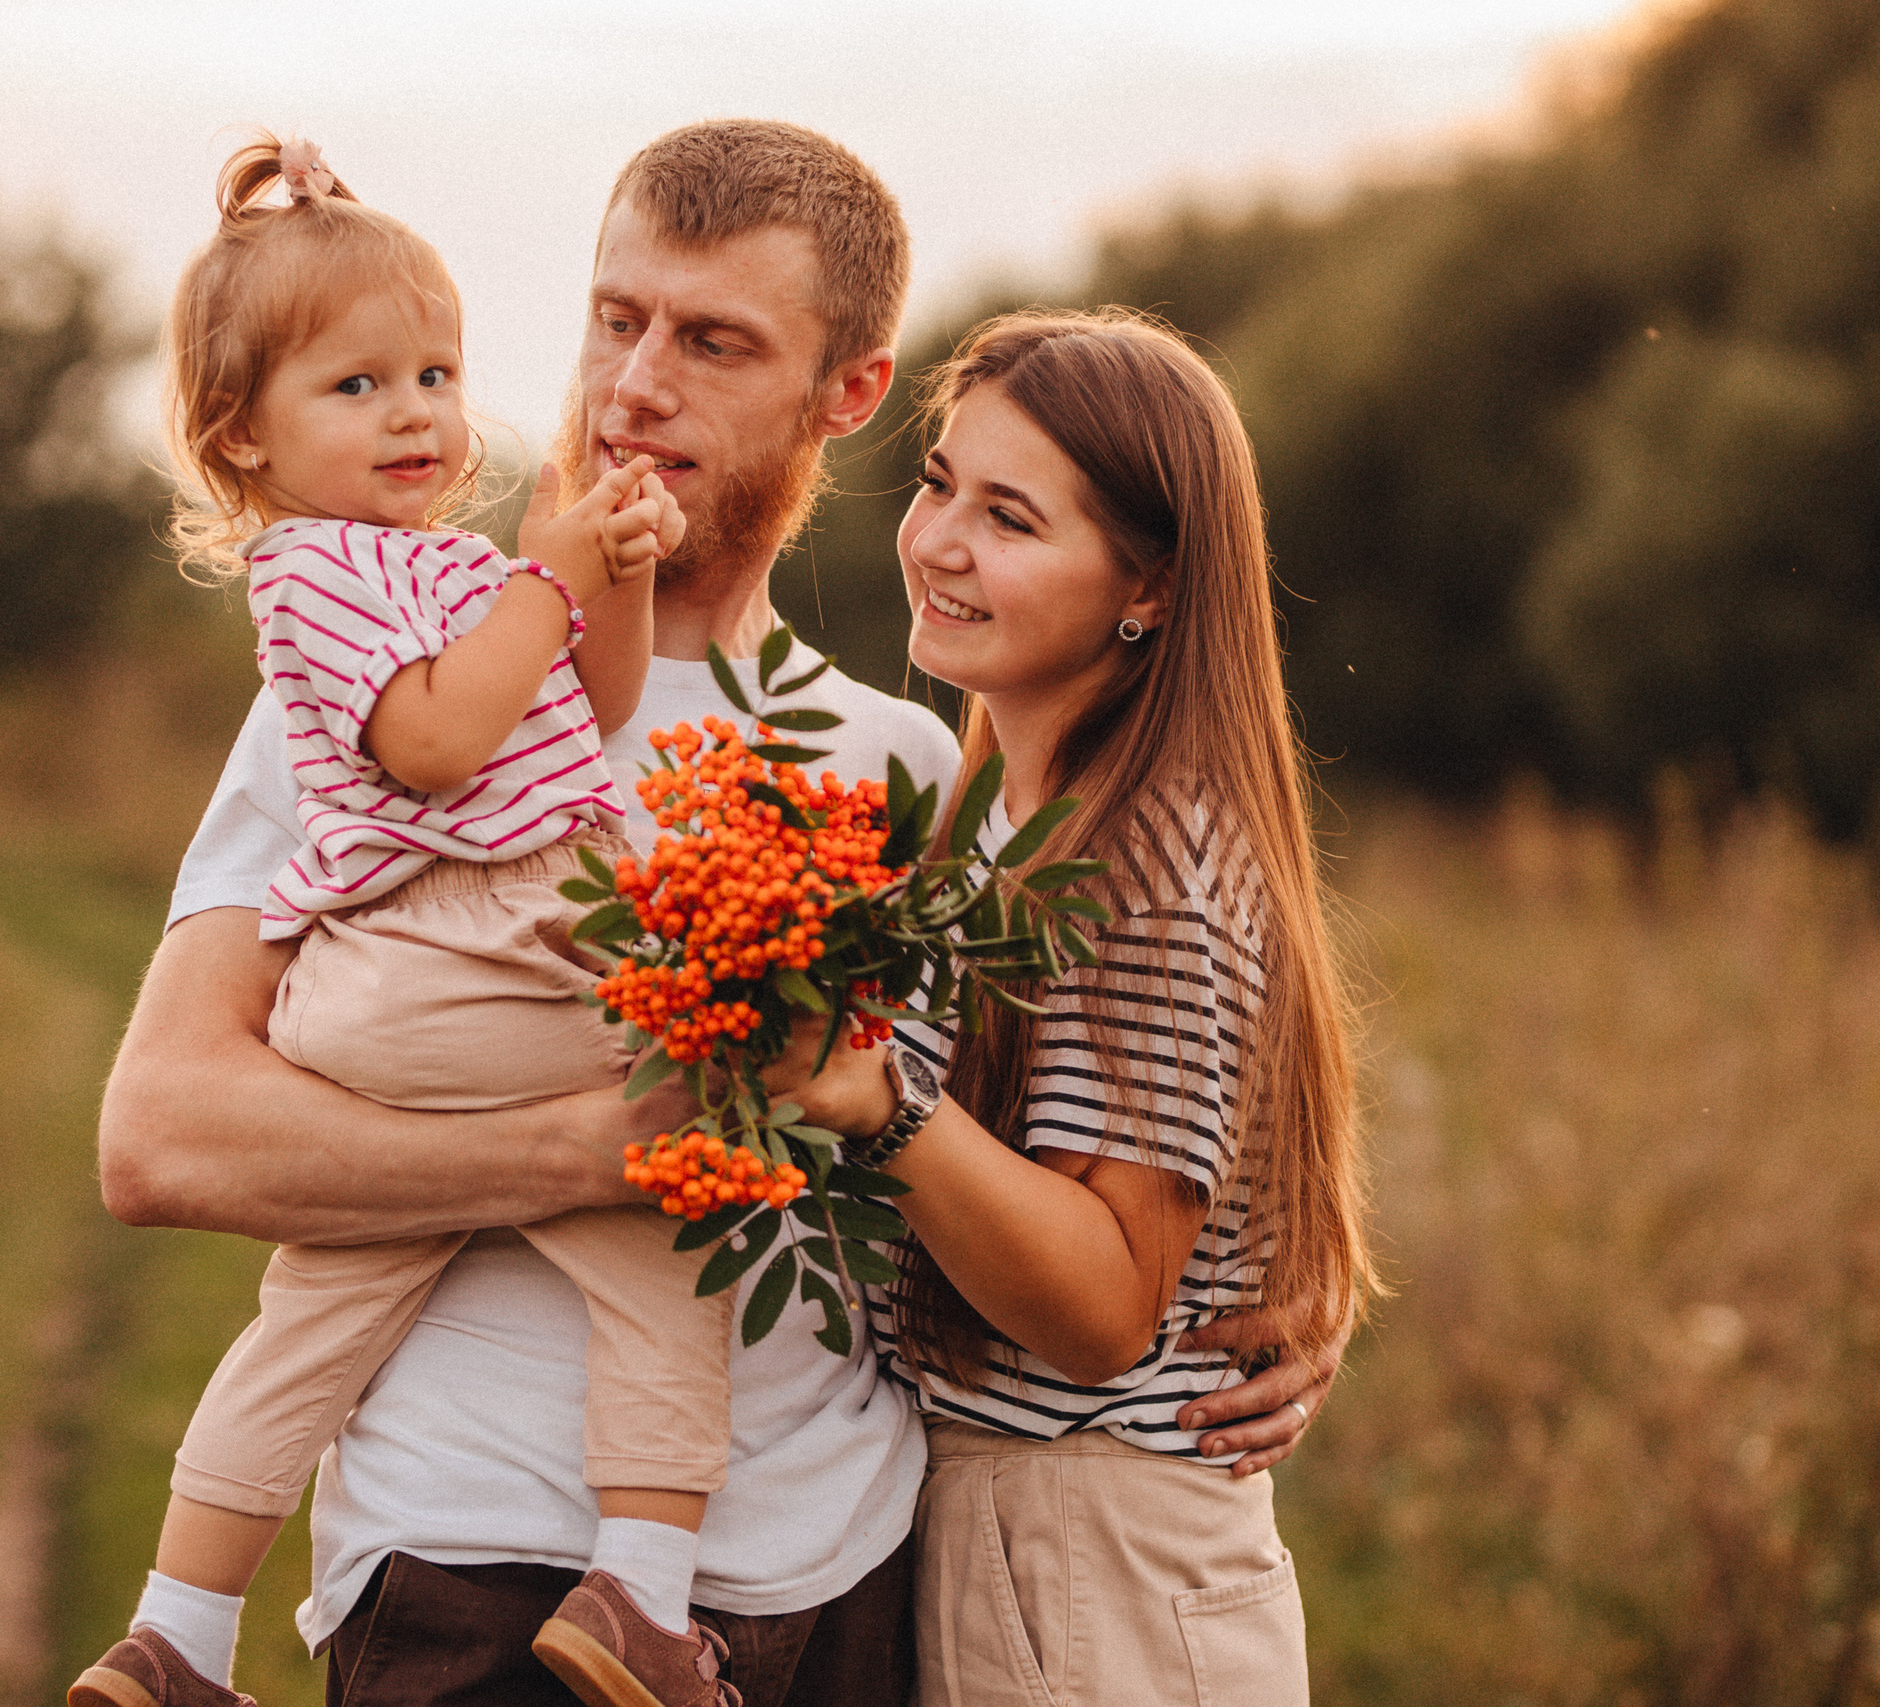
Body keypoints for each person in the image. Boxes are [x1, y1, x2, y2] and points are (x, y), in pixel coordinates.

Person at [98, 122, 1342, 1707]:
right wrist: (605, 1149)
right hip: (486, 1570)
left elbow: (1040, 1146)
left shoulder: (910, 764)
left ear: (850, 391)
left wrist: (1249, 1307)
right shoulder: (403, 694)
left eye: (713, 341)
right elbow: (163, 1138)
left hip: (851, 1574)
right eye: (616, 318)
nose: (635, 385)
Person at [71, 134, 759, 1707]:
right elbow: (439, 741)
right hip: (482, 948)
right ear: (242, 436)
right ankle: (641, 1597)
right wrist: (543, 578)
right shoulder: (312, 574)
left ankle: (176, 1638)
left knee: (317, 1317)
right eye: (359, 385)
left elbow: (586, 706)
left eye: (437, 375)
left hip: (416, 990)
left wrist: (609, 573)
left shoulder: (435, 566)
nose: (417, 414)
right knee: (683, 1220)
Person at [767, 310, 1376, 1706]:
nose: (939, 541)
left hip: (1089, 1558)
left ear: (1147, 586)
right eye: (939, 483)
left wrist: (884, 1104)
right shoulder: (996, 821)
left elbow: (1105, 1307)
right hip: (1024, 1536)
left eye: (1011, 518)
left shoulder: (1147, 862)